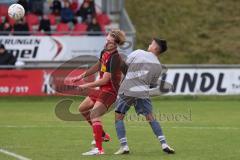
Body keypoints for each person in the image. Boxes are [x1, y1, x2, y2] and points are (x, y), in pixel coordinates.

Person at [114, 38, 175, 155]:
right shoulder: (158, 66)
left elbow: (123, 67)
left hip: (128, 89)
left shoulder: (138, 53)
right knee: (150, 117)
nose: (149, 44)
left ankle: (124, 146)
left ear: (156, 48)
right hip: (142, 91)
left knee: (119, 117)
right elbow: (152, 84)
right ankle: (164, 143)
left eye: (152, 43)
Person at [69, 30, 126, 155]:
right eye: (106, 40)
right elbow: (98, 66)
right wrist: (81, 76)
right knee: (83, 109)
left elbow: (105, 80)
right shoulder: (104, 52)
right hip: (101, 90)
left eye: (109, 41)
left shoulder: (115, 58)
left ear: (115, 43)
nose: (106, 42)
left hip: (110, 92)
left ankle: (99, 150)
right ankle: (103, 135)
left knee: (94, 114)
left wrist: (86, 85)